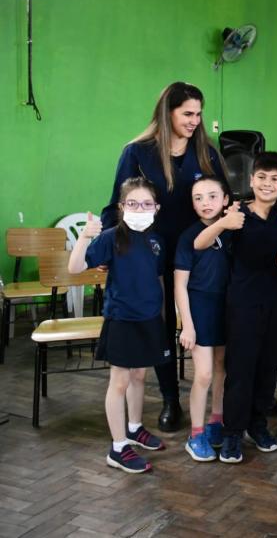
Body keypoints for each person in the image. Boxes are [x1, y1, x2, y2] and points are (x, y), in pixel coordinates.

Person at [102, 82, 227, 432]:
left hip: (197, 254)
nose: (194, 121)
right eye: (187, 113)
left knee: (197, 324)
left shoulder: (207, 152)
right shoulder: (137, 152)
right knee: (158, 325)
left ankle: (214, 403)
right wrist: (111, 251)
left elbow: (221, 199)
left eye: (199, 114)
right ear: (167, 112)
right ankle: (170, 399)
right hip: (149, 253)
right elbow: (116, 206)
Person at [195, 152, 277, 463]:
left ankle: (258, 425)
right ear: (251, 180)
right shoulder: (236, 214)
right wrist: (224, 222)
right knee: (241, 370)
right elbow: (201, 243)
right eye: (261, 177)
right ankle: (233, 432)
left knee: (267, 369)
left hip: (275, 304)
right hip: (242, 305)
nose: (267, 183)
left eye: (275, 179)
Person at [69, 177, 169, 474]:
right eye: (133, 203)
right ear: (122, 207)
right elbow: (75, 268)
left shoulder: (157, 240)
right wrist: (85, 236)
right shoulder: (111, 236)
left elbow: (158, 278)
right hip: (122, 318)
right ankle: (118, 446)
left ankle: (135, 428)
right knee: (120, 382)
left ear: (156, 207)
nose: (141, 208)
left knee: (140, 375)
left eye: (147, 203)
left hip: (149, 318)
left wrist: (161, 314)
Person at [175, 176, 231, 461]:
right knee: (205, 373)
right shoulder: (188, 237)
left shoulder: (233, 229)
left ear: (225, 200)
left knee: (222, 369)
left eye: (211, 196)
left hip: (227, 308)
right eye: (198, 198)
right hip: (200, 310)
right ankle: (195, 434)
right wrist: (187, 324)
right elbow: (180, 286)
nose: (205, 203)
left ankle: (215, 421)